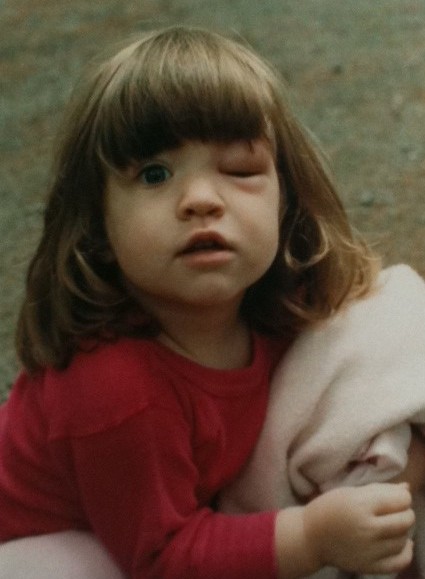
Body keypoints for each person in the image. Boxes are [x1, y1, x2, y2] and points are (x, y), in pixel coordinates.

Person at [0, 25, 416, 579]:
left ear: (286, 199)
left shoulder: (268, 302)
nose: (200, 199)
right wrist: (312, 537)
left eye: (240, 171)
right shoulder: (113, 387)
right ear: (97, 222)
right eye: (154, 175)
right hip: (41, 540)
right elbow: (162, 557)